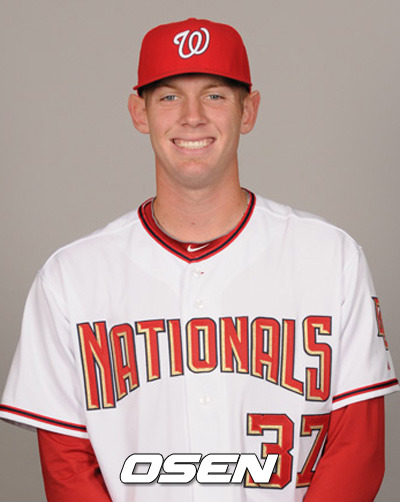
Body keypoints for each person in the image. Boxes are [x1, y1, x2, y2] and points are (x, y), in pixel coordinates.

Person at [0, 17, 398, 502]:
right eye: (169, 96)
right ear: (139, 112)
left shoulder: (330, 257)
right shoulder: (71, 278)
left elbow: (358, 450)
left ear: (248, 110)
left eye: (214, 95)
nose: (192, 116)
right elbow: (67, 466)